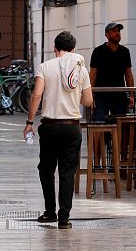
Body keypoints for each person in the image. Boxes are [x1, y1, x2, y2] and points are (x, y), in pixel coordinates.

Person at [23, 31, 93, 229]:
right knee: (67, 172)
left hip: (50, 127)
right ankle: (64, 218)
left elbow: (37, 95)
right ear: (73, 49)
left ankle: (49, 212)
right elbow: (88, 101)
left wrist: (29, 122)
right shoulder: (81, 70)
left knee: (46, 170)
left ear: (55, 48)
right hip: (71, 128)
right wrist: (74, 96)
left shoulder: (45, 66)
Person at [89, 22, 135, 122]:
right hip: (101, 95)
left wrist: (131, 95)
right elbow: (93, 74)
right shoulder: (98, 51)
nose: (117, 33)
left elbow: (128, 75)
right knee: (99, 124)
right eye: (113, 31)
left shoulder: (124, 52)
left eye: (118, 31)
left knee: (120, 125)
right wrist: (90, 95)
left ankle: (117, 138)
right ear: (107, 34)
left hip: (119, 95)